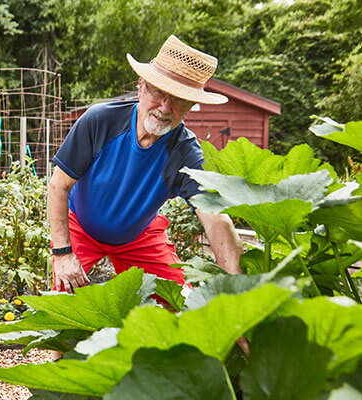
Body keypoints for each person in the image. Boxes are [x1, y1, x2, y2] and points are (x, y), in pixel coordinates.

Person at [48, 35, 243, 293]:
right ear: (142, 86)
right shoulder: (99, 121)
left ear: (191, 106)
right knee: (62, 308)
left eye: (179, 100)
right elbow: (58, 186)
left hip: (139, 237)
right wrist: (62, 254)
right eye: (159, 91)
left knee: (178, 300)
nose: (165, 107)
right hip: (80, 227)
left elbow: (216, 219)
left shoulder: (185, 152)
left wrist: (237, 293)